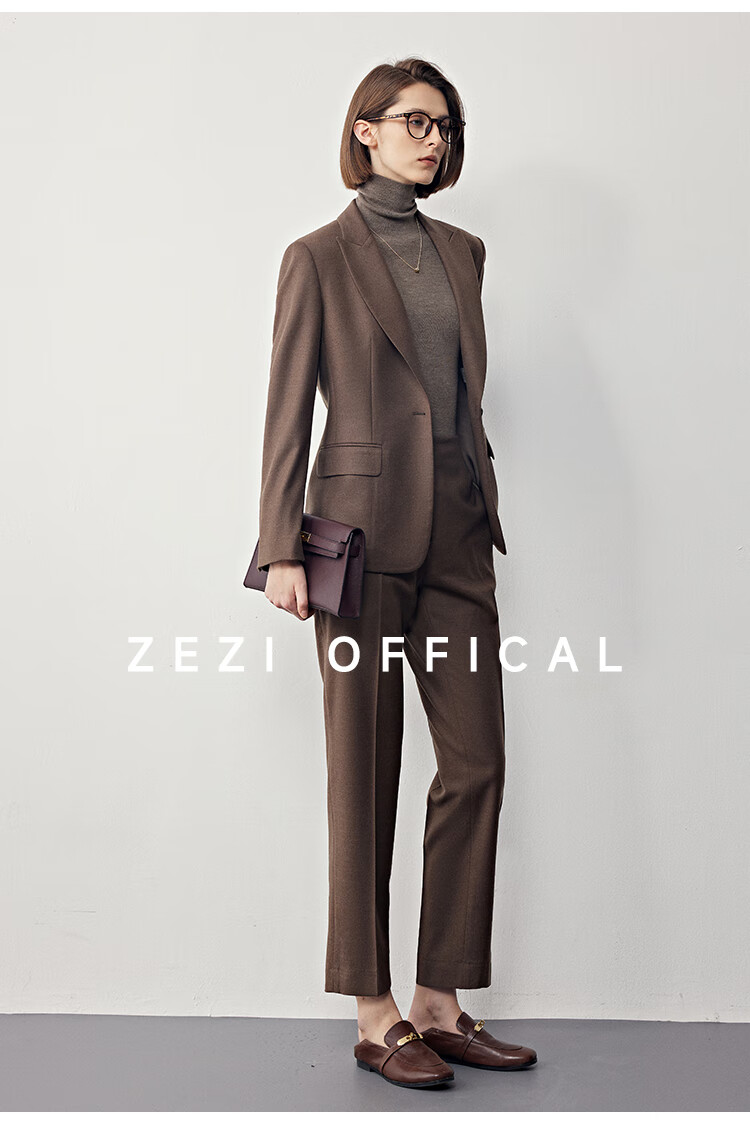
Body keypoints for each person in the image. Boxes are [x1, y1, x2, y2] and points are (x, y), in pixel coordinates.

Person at [256, 57, 537, 1089]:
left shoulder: (463, 251)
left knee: (476, 765)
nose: (434, 139)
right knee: (364, 771)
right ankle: (375, 1015)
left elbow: (454, 391)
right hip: (359, 539)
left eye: (445, 126)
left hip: (460, 535)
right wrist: (280, 546)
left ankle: (438, 1002)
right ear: (365, 130)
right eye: (416, 121)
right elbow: (288, 407)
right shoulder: (318, 257)